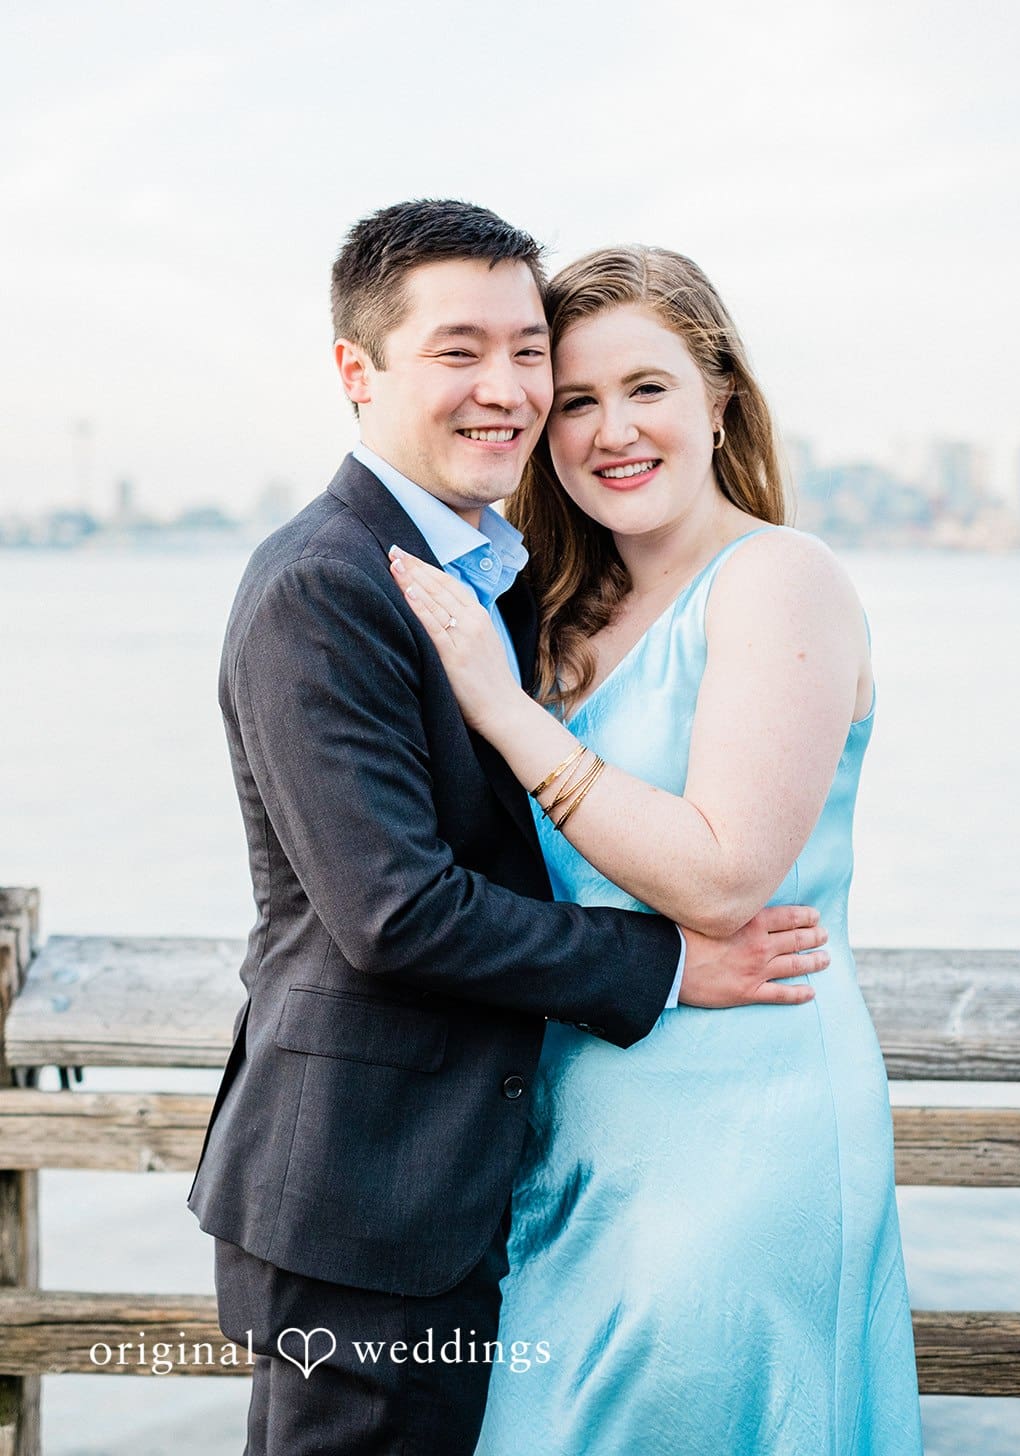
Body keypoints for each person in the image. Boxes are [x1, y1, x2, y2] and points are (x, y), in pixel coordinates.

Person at [186, 202, 831, 1456]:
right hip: (366, 1193)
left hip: (491, 1179)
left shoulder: (504, 573)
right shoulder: (325, 580)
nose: (508, 389)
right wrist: (669, 962)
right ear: (356, 370)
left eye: (527, 350)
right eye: (458, 350)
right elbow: (396, 912)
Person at [394, 244, 924, 1455]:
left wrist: (506, 713)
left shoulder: (776, 580)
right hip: (570, 1139)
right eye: (576, 400)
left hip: (738, 1123)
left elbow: (723, 877)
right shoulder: (555, 611)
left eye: (646, 388)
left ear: (718, 397)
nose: (612, 431)